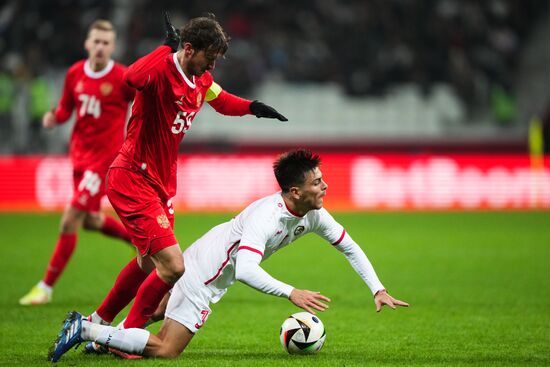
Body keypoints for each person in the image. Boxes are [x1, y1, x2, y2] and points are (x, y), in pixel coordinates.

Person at [49, 149, 408, 361]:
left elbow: (348, 245)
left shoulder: (313, 213)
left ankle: (99, 337)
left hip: (211, 252)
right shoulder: (266, 219)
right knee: (167, 349)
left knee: (159, 312)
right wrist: (291, 292)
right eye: (317, 182)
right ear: (295, 191)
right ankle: (85, 329)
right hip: (208, 271)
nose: (325, 185)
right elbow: (248, 270)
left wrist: (376, 288)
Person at [77, 11, 288, 336]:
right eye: (209, 58)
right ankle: (121, 338)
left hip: (162, 185)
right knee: (173, 266)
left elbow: (220, 100)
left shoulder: (201, 80)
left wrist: (252, 107)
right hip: (132, 176)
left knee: (149, 264)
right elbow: (129, 79)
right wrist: (164, 48)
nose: (212, 67)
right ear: (188, 49)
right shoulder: (160, 71)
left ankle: (97, 322)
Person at [19, 20, 135, 306]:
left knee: (70, 219)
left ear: (113, 46)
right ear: (87, 43)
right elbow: (65, 108)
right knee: (92, 222)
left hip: (103, 162)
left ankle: (45, 287)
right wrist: (53, 117)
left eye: (106, 42)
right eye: (95, 41)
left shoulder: (122, 77)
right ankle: (135, 239)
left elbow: (143, 104)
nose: (100, 47)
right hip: (79, 158)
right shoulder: (74, 74)